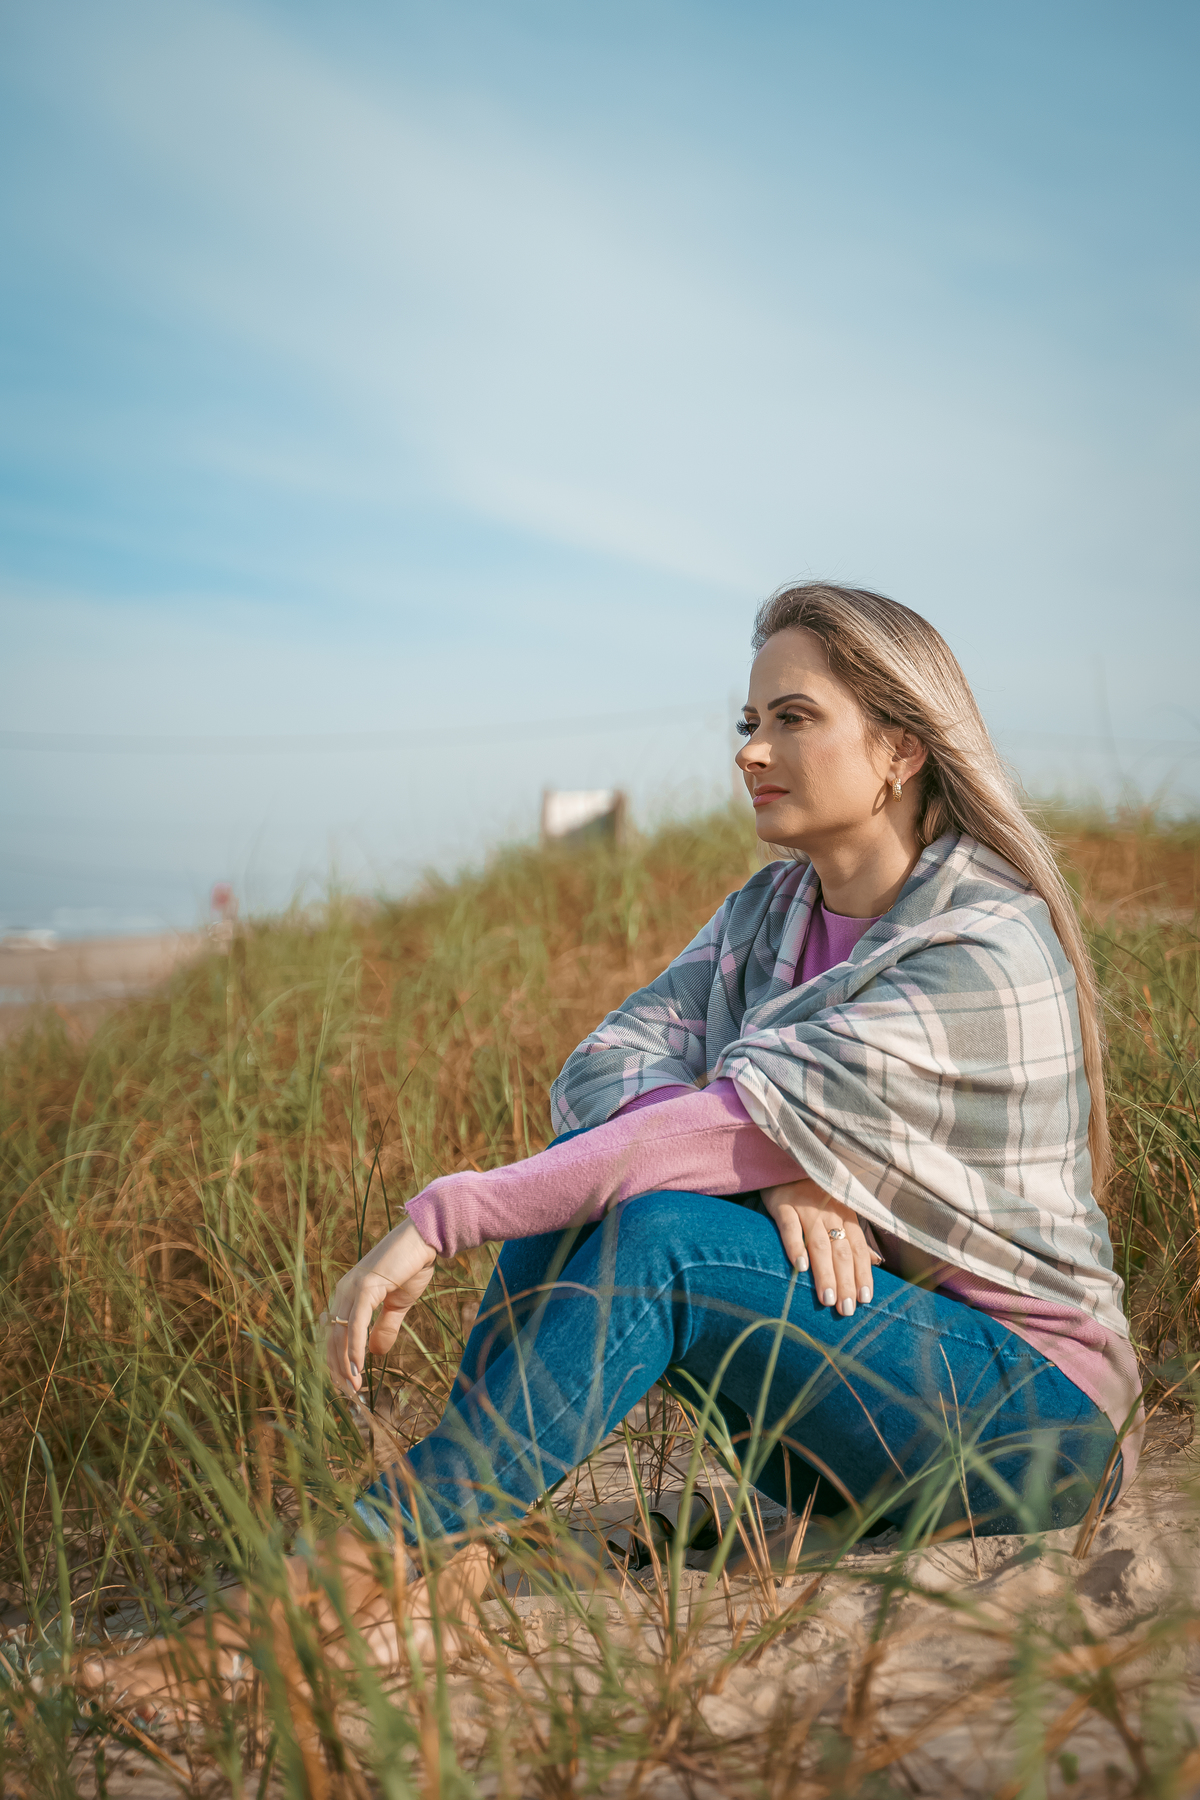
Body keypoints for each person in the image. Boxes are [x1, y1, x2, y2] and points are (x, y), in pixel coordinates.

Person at [82, 582, 1143, 1698]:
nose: (751, 752)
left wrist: (450, 1214)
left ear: (898, 749)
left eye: (793, 718)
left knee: (668, 1233)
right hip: (840, 1428)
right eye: (748, 723)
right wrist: (781, 1158)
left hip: (1036, 1429)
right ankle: (441, 1576)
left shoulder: (984, 944)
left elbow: (729, 1117)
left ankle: (328, 1592)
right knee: (622, 1191)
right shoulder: (766, 915)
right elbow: (605, 1063)